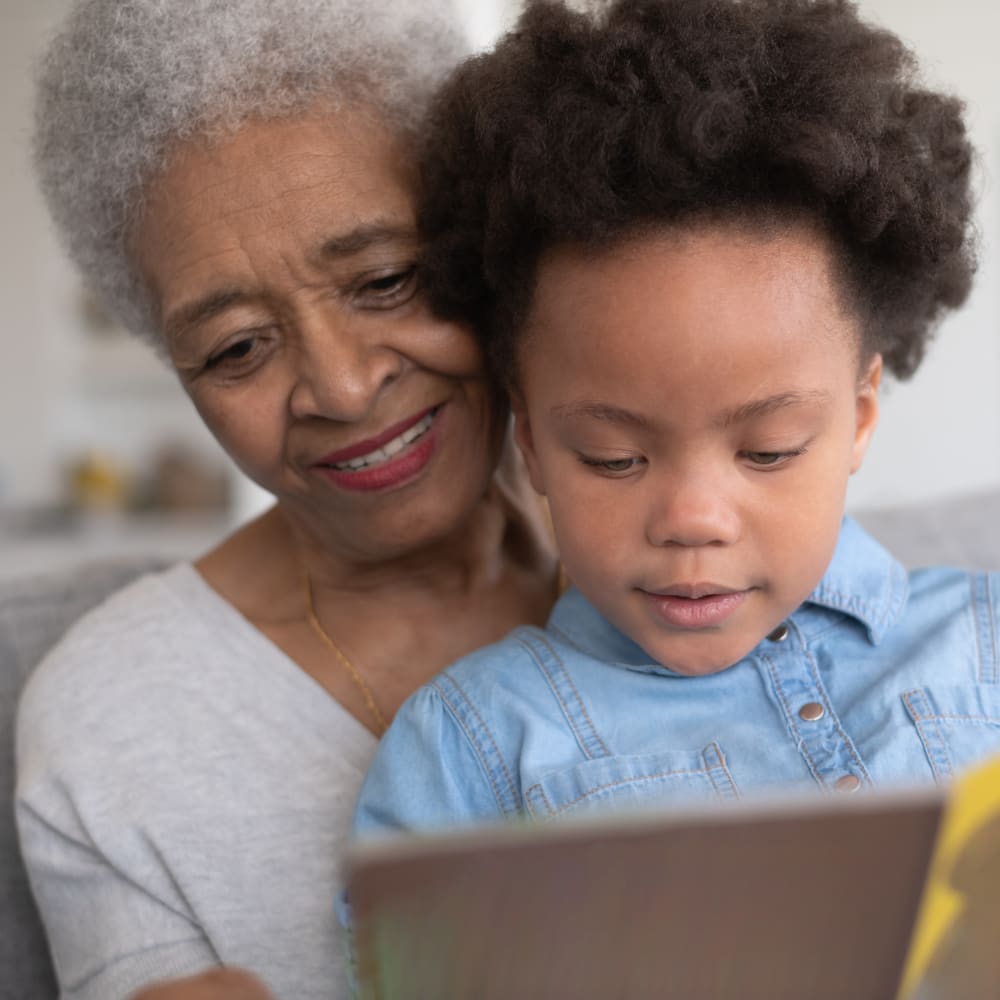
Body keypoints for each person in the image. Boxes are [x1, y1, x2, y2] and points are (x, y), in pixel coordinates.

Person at [352, 0, 1000, 843]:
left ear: (860, 418)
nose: (692, 520)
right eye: (613, 457)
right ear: (533, 446)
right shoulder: (474, 747)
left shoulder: (982, 644)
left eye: (768, 451)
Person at [15, 1, 558, 998]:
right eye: (236, 349)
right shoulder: (112, 721)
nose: (343, 388)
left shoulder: (692, 562)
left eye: (386, 279)